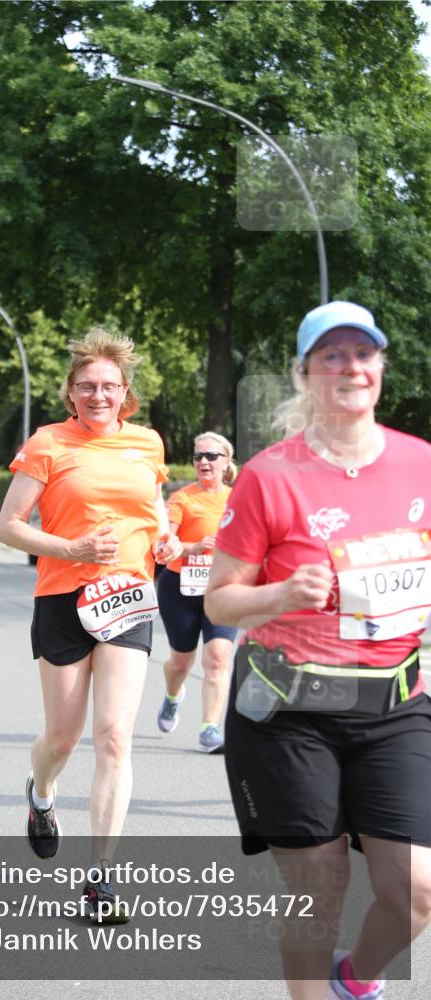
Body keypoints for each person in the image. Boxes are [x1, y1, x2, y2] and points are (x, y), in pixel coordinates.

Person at [205, 301, 431, 1000]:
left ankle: (352, 980)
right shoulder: (271, 475)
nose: (349, 367)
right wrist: (277, 597)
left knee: (416, 892)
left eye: (361, 354)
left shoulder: (420, 463)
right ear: (304, 374)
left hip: (394, 704)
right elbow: (218, 600)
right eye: (330, 356)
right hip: (288, 710)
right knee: (318, 893)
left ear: (380, 368)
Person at [0, 326, 182, 923]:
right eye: (86, 386)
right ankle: (41, 794)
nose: (98, 395)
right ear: (70, 392)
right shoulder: (48, 442)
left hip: (126, 596)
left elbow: (152, 512)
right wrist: (71, 549)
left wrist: (168, 537)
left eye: (108, 386)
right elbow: (9, 526)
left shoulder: (148, 443)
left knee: (115, 738)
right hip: (62, 598)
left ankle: (101, 881)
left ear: (125, 391)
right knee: (62, 739)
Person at [156, 431, 238, 751]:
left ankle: (209, 728)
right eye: (198, 456)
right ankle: (172, 696)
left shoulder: (238, 498)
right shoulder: (182, 498)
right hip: (180, 588)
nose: (204, 461)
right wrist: (195, 546)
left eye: (211, 456)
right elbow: (166, 545)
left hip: (222, 588)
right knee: (180, 662)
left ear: (226, 462)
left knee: (217, 657)